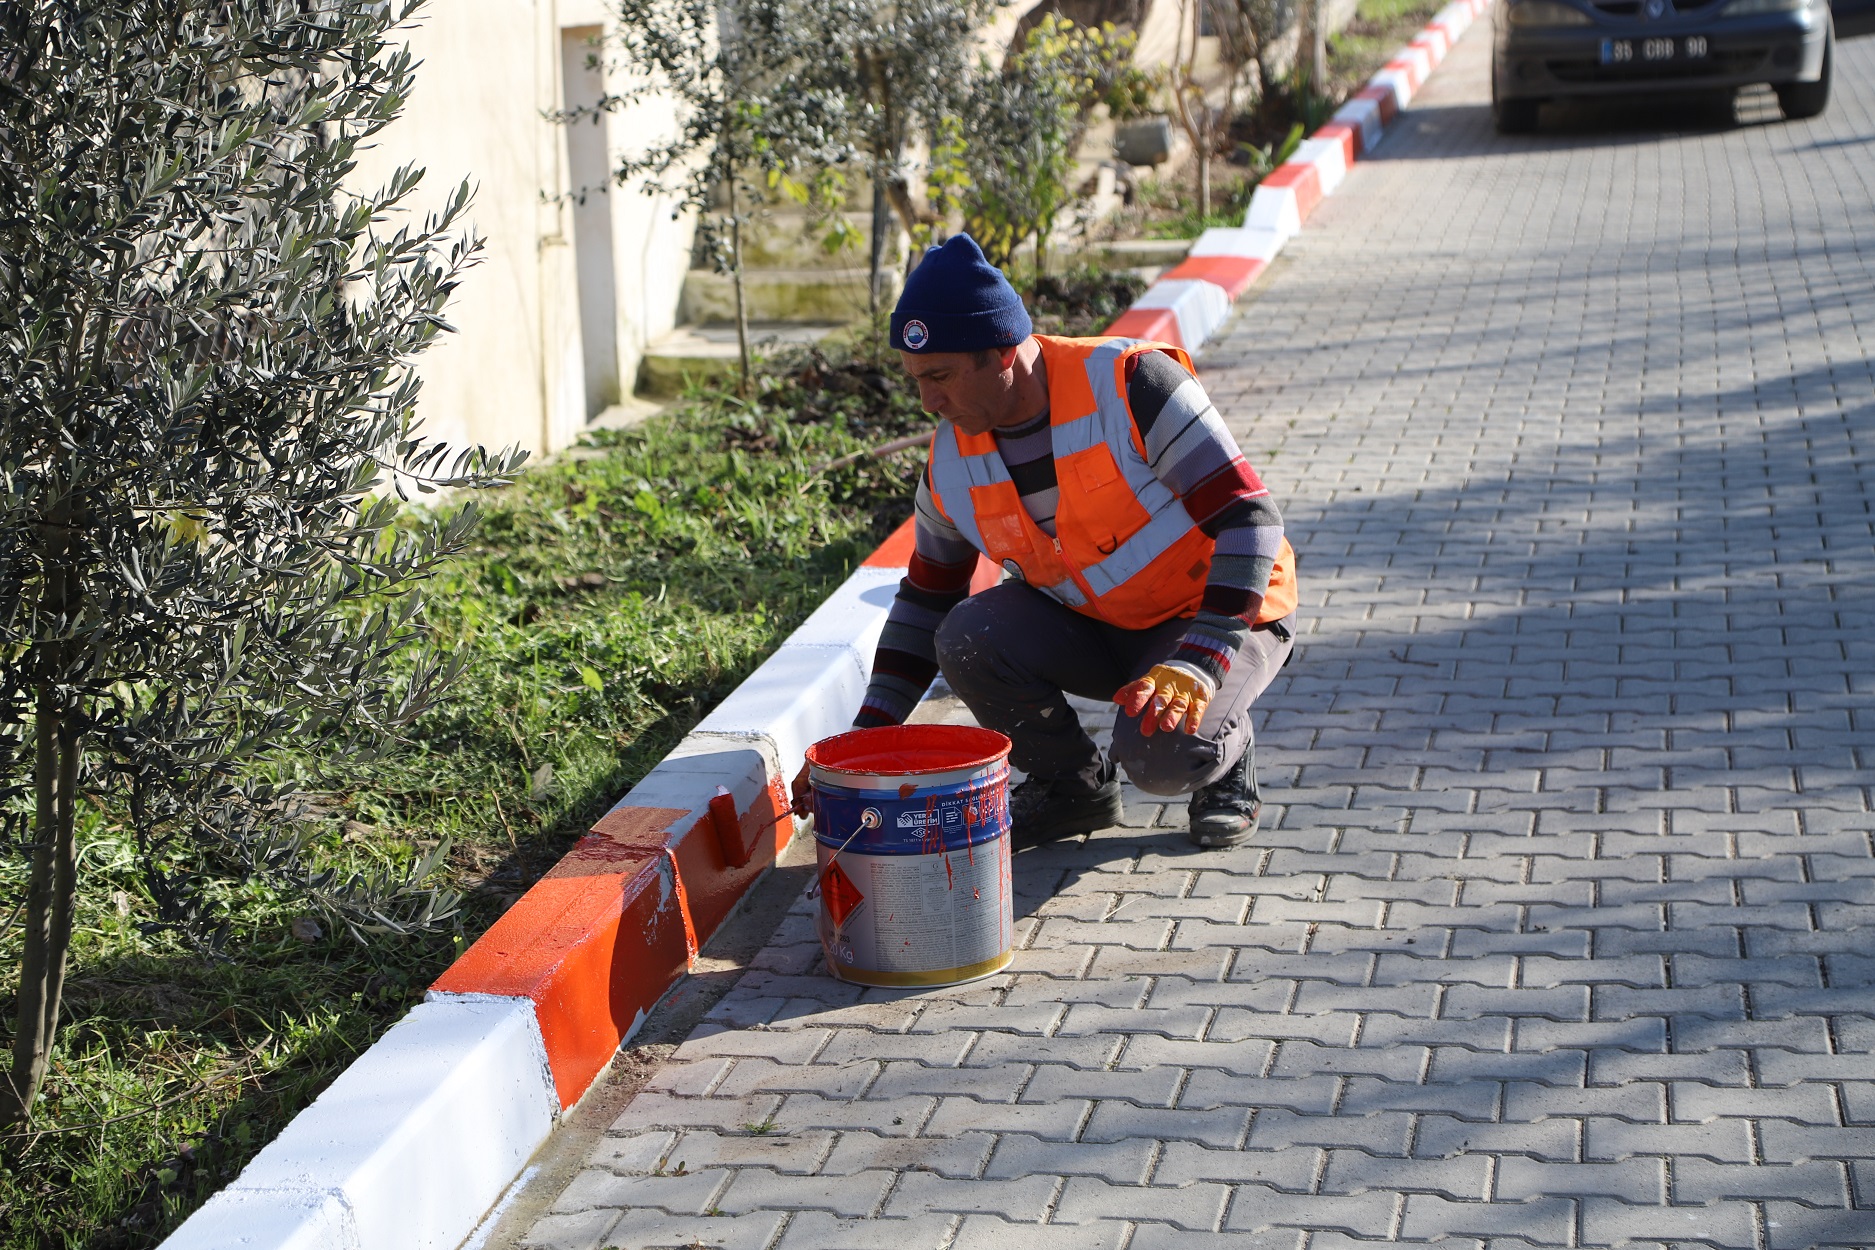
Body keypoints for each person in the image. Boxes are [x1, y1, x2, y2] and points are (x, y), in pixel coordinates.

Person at [792, 233, 1297, 849]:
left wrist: (1201, 658)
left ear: (1002, 353)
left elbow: (1251, 517)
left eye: (942, 376)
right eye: (916, 380)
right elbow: (927, 602)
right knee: (966, 635)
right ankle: (1075, 789)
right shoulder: (951, 461)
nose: (928, 402)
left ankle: (1227, 755)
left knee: (1164, 757)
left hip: (1215, 615)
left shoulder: (1132, 383)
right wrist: (866, 740)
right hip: (1097, 625)